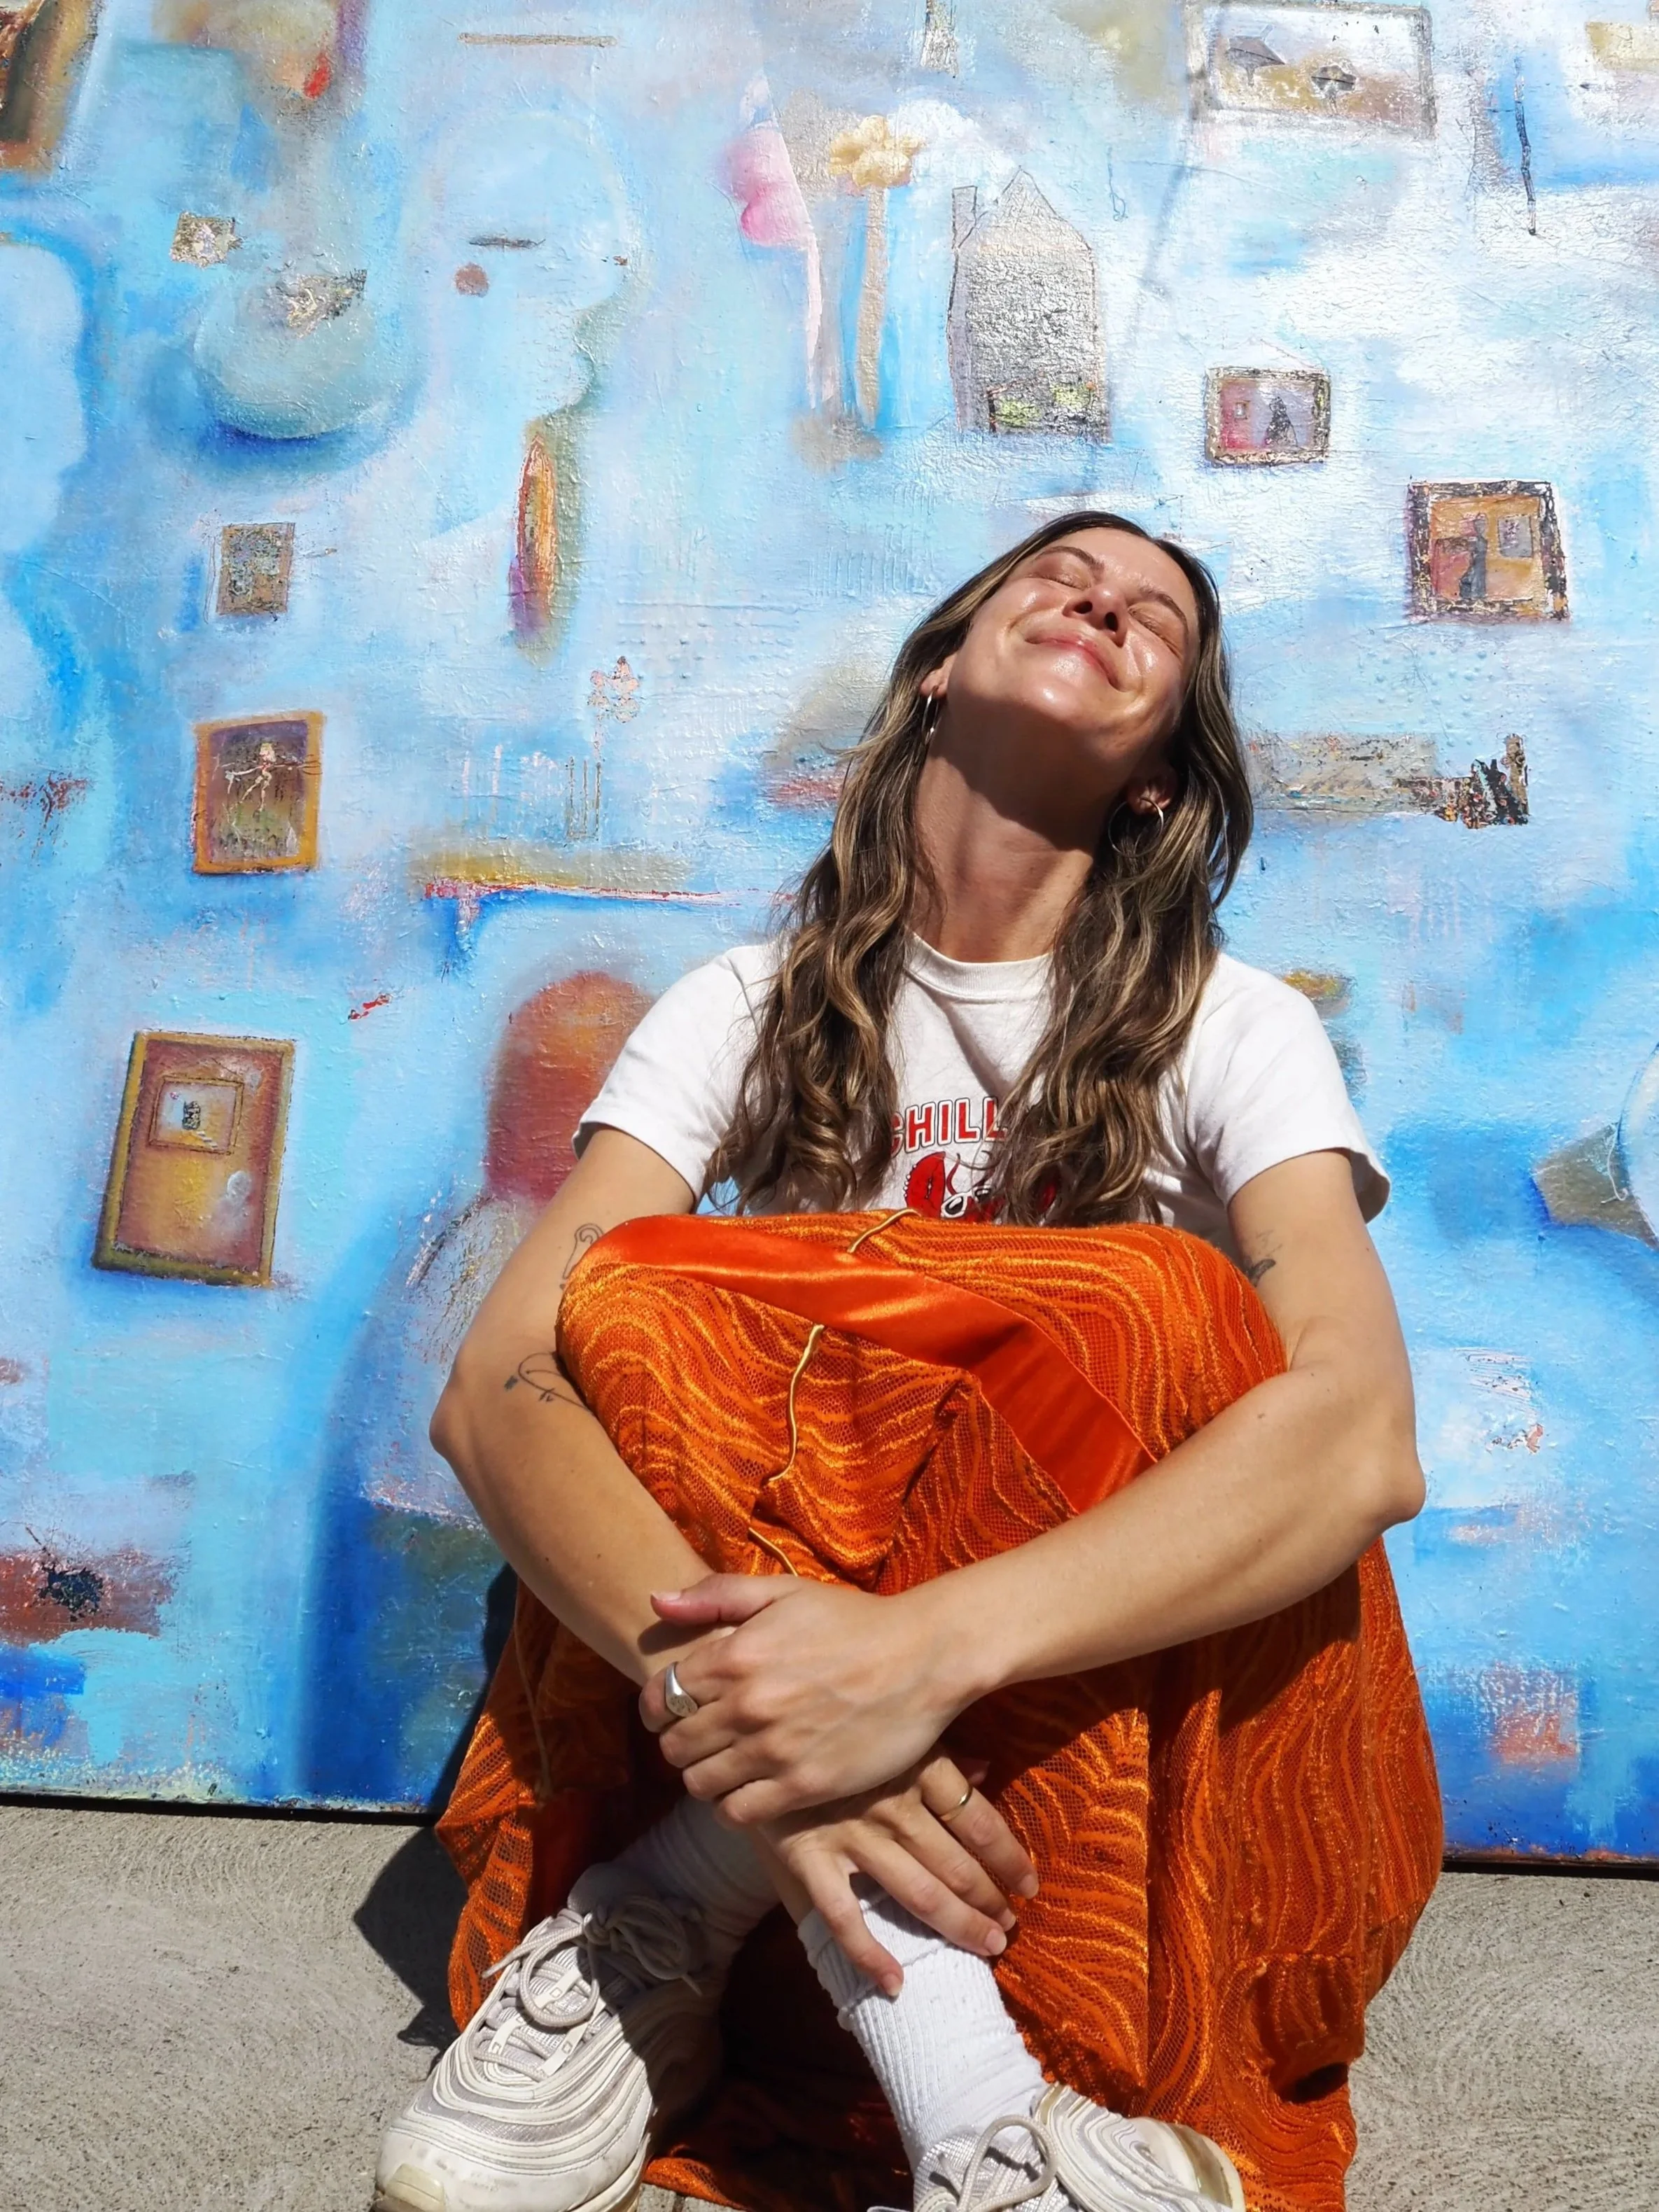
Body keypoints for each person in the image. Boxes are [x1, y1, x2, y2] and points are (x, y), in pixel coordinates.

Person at [374, 512, 1442, 2212]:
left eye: (1155, 615)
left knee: (1158, 1305)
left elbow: (1361, 1432)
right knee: (629, 1293)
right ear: (941, 665)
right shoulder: (746, 1000)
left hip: (1096, 1818)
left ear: (1161, 774)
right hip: (852, 1805)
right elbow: (494, 1386)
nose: (1105, 597)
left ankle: (676, 1889)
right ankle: (975, 2110)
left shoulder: (1237, 1029)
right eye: (1061, 574)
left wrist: (905, 1655)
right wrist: (738, 1708)